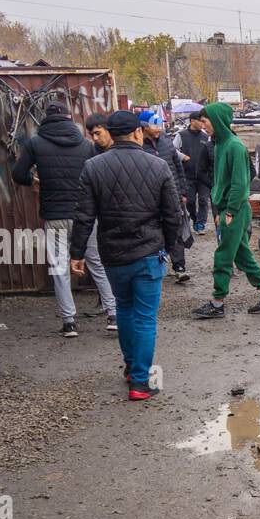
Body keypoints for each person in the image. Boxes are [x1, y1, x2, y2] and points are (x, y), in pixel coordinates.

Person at [70, 110, 180, 401]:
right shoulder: (158, 166)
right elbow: (172, 214)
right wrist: (173, 250)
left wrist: (76, 253)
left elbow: (84, 216)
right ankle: (141, 384)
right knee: (145, 317)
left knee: (125, 309)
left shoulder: (93, 167)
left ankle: (132, 368)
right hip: (148, 253)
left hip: (113, 254)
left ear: (112, 133)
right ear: (137, 133)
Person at [12, 103, 117, 335]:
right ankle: (113, 314)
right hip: (84, 215)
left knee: (59, 267)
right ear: (69, 120)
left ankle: (69, 322)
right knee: (97, 263)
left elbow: (18, 174)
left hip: (55, 215)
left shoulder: (35, 144)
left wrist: (35, 182)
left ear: (46, 120)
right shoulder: (86, 145)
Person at [193, 101, 260, 318]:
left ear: (217, 120)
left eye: (205, 122)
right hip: (229, 209)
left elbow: (241, 184)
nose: (204, 126)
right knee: (241, 256)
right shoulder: (220, 144)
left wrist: (229, 212)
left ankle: (217, 303)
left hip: (236, 210)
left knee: (223, 256)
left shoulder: (234, 146)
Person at [138, 109, 191, 284]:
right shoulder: (139, 147)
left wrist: (183, 192)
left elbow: (179, 168)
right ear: (144, 127)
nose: (158, 128)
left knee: (175, 230)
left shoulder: (167, 143)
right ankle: (155, 267)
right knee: (153, 233)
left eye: (159, 124)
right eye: (155, 124)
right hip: (150, 199)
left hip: (173, 195)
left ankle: (179, 268)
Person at [177, 110, 214, 233]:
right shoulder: (181, 135)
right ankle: (194, 218)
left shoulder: (205, 136)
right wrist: (183, 157)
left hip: (203, 175)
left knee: (203, 200)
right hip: (188, 175)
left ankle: (200, 224)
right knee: (190, 201)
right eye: (200, 121)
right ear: (192, 121)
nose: (202, 124)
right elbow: (172, 149)